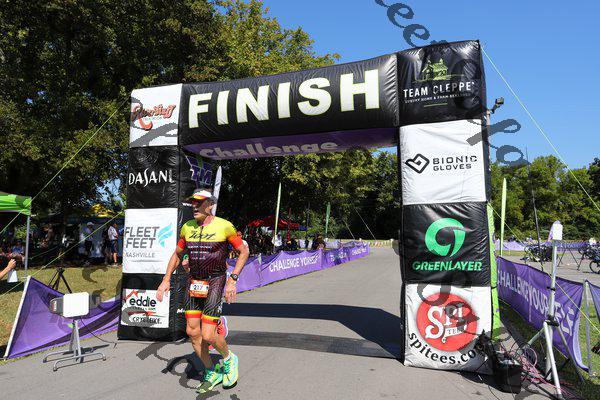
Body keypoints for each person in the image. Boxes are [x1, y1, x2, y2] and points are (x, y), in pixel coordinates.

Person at [157, 189, 249, 393]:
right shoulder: (187, 227)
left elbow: (243, 251)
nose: (194, 206)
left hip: (215, 280)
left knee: (208, 334)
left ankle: (229, 358)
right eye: (193, 202)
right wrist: (165, 280)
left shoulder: (224, 226)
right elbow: (177, 254)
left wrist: (233, 280)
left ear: (210, 205)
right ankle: (211, 371)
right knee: (192, 332)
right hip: (195, 282)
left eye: (199, 202)